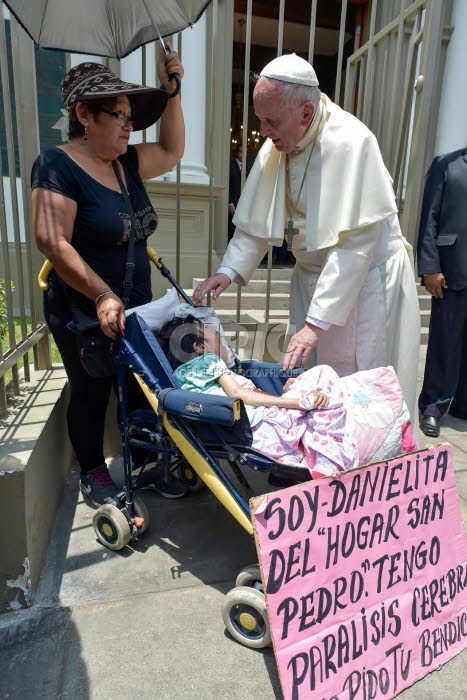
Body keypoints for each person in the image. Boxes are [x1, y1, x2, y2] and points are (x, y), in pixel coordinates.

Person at [192, 53, 420, 419]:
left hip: (362, 285)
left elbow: (354, 247)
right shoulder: (279, 143)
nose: (263, 132)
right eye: (259, 120)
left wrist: (317, 323)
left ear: (305, 114)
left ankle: (359, 465)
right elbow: (255, 223)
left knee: (356, 381)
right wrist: (229, 270)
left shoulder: (352, 142)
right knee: (310, 375)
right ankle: (316, 450)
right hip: (312, 279)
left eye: (271, 121)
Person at [32, 48, 188, 507]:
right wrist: (100, 295)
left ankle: (142, 461)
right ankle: (95, 473)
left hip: (134, 303)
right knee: (93, 387)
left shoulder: (126, 162)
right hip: (83, 306)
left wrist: (173, 93)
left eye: (130, 116)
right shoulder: (56, 165)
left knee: (141, 380)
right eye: (118, 115)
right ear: (84, 114)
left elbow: (173, 150)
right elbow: (52, 241)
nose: (129, 125)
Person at [159, 316, 417, 480]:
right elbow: (240, 395)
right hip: (265, 427)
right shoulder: (210, 361)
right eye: (212, 332)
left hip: (255, 425)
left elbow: (243, 395)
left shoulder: (182, 379)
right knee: (323, 373)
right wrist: (296, 401)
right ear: (198, 346)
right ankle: (337, 454)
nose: (220, 337)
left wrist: (289, 393)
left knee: (312, 382)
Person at [417, 147, 467, 438]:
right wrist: (430, 268)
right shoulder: (447, 165)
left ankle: (463, 404)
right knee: (444, 342)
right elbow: (429, 218)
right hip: (451, 272)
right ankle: (433, 406)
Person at [228, 144, 243, 240]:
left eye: (245, 152)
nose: (243, 154)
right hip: (233, 204)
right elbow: (228, 184)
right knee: (231, 230)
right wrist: (230, 203)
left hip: (242, 204)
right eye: (241, 151)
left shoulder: (246, 168)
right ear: (237, 152)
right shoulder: (231, 165)